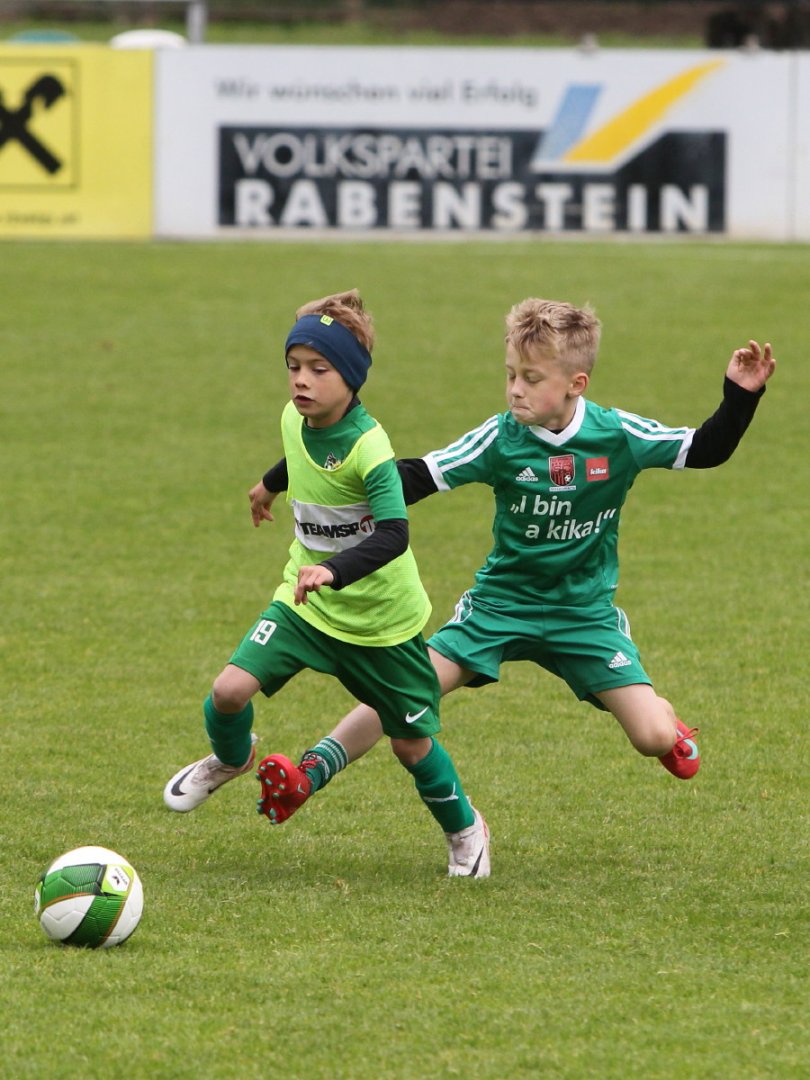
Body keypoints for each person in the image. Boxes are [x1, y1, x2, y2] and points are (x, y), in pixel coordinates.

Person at [246, 297, 776, 823]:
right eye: (510, 375)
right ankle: (310, 772)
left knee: (651, 738)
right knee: (407, 689)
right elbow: (416, 476)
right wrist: (323, 472)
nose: (516, 389)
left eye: (531, 378)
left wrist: (741, 394)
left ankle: (667, 722)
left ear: (576, 384)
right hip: (499, 605)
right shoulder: (500, 437)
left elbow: (706, 449)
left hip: (583, 614)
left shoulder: (617, 435)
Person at [163, 289, 490, 879]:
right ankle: (231, 759)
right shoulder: (294, 416)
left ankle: (465, 829)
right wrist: (269, 486)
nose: (301, 380)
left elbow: (395, 534)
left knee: (411, 746)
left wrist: (334, 569)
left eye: (319, 369)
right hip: (305, 605)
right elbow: (300, 454)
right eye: (294, 366)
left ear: (351, 378)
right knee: (229, 690)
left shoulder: (370, 447)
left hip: (381, 624)